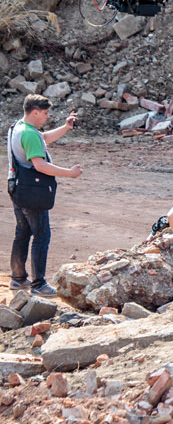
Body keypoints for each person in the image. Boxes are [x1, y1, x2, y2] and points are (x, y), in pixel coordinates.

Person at [7, 94, 82, 296]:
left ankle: (18, 279)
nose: (48, 117)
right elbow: (40, 165)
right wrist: (69, 173)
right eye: (46, 113)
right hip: (32, 192)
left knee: (22, 233)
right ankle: (39, 284)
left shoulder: (18, 128)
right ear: (35, 112)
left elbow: (44, 138)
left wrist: (66, 127)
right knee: (41, 236)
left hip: (18, 188)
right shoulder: (30, 134)